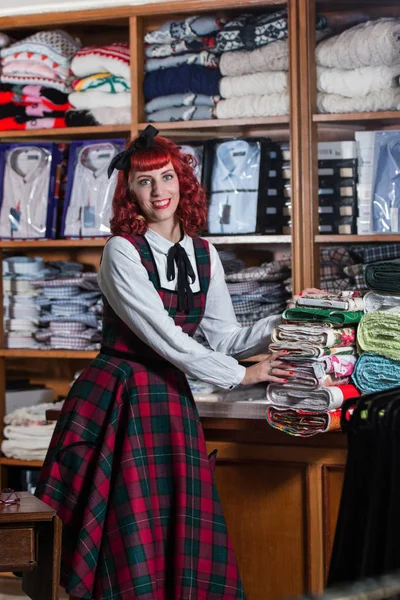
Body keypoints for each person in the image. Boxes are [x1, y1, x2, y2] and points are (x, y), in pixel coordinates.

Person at [35, 125, 321, 600]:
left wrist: (288, 319)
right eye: (145, 182)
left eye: (166, 177)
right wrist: (242, 374)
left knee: (168, 532)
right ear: (129, 193)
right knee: (127, 533)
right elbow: (167, 340)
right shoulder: (121, 251)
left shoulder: (204, 253)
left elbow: (224, 334)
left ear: (182, 182)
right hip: (120, 397)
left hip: (168, 402)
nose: (158, 191)